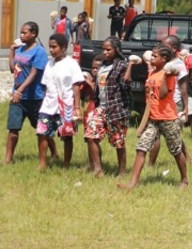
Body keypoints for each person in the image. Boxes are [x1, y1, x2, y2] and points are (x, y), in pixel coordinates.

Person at [119, 44, 189, 189]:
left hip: (168, 119)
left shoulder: (168, 74)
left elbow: (163, 94)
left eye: (155, 56)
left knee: (176, 150)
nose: (151, 58)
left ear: (164, 59)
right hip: (153, 119)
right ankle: (132, 183)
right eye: (152, 55)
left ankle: (184, 180)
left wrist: (166, 75)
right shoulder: (152, 73)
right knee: (141, 147)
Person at [5, 22, 57, 164]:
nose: (21, 35)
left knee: (42, 130)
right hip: (18, 98)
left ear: (33, 34)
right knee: (13, 128)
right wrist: (11, 52)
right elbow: (13, 69)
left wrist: (20, 90)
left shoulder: (39, 51)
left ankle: (54, 153)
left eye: (24, 32)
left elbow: (34, 74)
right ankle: (8, 159)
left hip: (34, 98)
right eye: (20, 32)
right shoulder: (20, 49)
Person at [84, 37, 133, 177]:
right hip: (101, 108)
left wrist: (130, 66)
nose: (105, 52)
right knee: (91, 135)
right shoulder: (102, 66)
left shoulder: (121, 65)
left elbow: (125, 85)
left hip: (116, 109)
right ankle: (98, 169)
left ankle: (122, 171)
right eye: (103, 49)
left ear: (116, 50)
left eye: (108, 49)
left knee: (118, 141)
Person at [36, 34, 84, 170]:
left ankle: (66, 164)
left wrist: (76, 107)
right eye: (50, 47)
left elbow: (76, 86)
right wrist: (43, 102)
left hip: (66, 106)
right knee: (42, 133)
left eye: (54, 47)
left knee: (66, 135)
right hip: (48, 105)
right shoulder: (49, 64)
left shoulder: (72, 64)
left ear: (63, 47)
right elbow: (46, 85)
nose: (51, 50)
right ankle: (42, 163)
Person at [149, 35, 190, 165]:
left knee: (173, 135)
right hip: (158, 103)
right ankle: (151, 164)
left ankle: (185, 156)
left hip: (173, 104)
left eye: (165, 45)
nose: (161, 47)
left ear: (174, 48)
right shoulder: (162, 63)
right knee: (155, 135)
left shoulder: (178, 65)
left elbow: (183, 88)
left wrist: (185, 107)